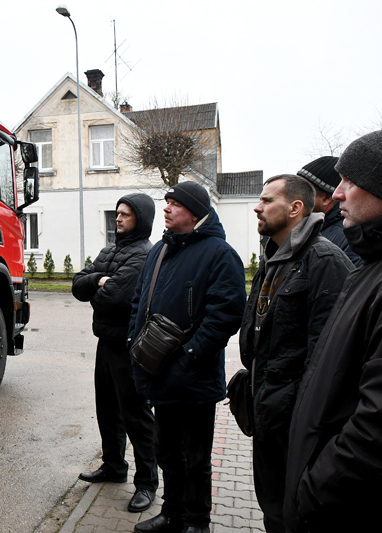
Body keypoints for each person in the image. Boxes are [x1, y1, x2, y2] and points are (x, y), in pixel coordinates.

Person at [285, 127, 382, 532]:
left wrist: (314, 492)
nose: (339, 194)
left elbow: (378, 428)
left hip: (337, 507)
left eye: (352, 181)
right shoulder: (372, 265)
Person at [128, 181, 246, 533]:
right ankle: (172, 513)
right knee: (166, 452)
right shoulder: (158, 251)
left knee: (196, 458)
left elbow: (226, 314)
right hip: (158, 373)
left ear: (194, 213)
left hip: (194, 377)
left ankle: (197, 522)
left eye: (174, 204)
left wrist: (188, 357)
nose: (165, 208)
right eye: (166, 202)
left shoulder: (219, 253)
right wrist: (136, 343)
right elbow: (139, 301)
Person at [240, 174, 353, 533]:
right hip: (268, 414)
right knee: (272, 506)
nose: (257, 207)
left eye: (267, 200)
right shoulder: (274, 256)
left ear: (295, 208)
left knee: (294, 513)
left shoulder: (324, 261)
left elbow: (325, 356)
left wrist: (294, 408)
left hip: (295, 423)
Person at [72, 193, 159, 513]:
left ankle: (147, 483)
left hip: (129, 347)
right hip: (105, 343)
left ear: (141, 219)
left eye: (126, 215)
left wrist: (96, 288)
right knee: (107, 409)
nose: (118, 219)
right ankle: (114, 467)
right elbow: (77, 285)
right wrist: (98, 280)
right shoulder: (110, 250)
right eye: (117, 213)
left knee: (136, 416)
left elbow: (114, 299)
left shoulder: (142, 255)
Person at [296, 156, 362, 266]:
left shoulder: (349, 239)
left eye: (303, 191)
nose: (293, 196)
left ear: (326, 199)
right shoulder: (305, 229)